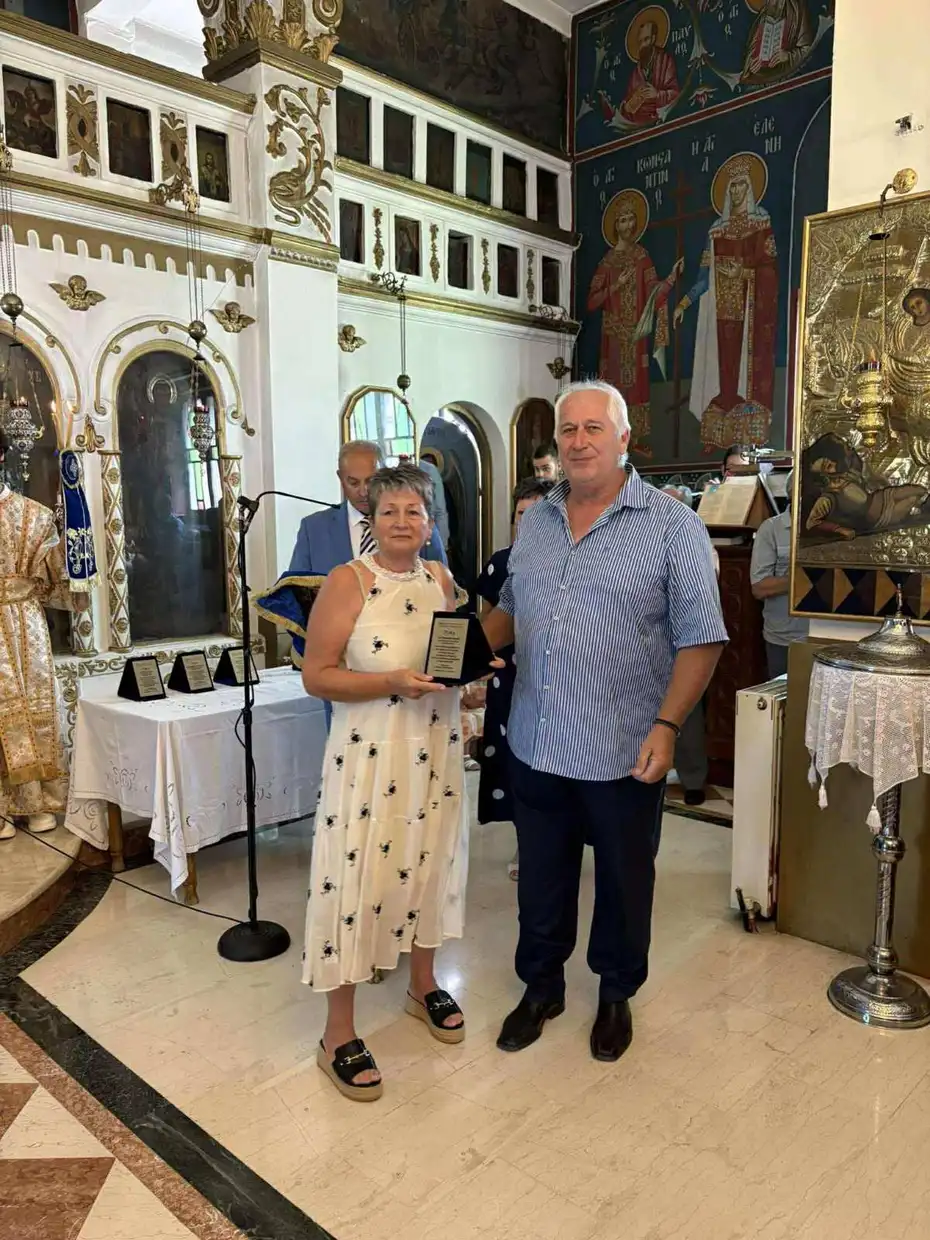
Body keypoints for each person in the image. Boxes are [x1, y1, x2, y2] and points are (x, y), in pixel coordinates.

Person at [482, 380, 727, 1063]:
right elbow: (511, 607)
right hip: (536, 739)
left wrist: (667, 726)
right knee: (541, 878)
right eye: (569, 430)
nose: (580, 441)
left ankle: (616, 992)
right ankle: (541, 987)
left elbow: (701, 638)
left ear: (624, 438)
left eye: (594, 428)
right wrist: (460, 654)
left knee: (623, 879)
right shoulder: (537, 520)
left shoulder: (672, 525)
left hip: (624, 748)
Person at [300, 464, 497, 1103]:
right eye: (390, 511)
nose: (403, 522)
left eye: (414, 511)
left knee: (429, 864)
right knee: (355, 879)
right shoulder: (348, 581)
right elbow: (317, 675)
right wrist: (390, 682)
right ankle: (337, 1031)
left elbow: (450, 660)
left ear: (430, 522)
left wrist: (473, 678)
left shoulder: (441, 579)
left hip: (433, 753)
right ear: (372, 521)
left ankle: (422, 983)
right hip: (369, 757)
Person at [255, 441, 446, 671]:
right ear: (340, 478)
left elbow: (440, 601)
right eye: (353, 482)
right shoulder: (314, 529)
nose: (363, 491)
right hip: (335, 666)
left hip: (410, 662)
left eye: (371, 481)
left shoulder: (416, 526)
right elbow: (298, 599)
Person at [0, 434, 90, 841]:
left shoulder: (35, 515)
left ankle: (37, 804)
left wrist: (74, 539)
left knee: (33, 709)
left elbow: (60, 577)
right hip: (22, 619)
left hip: (24, 623)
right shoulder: (34, 515)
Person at [475, 478, 554, 879]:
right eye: (522, 514)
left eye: (537, 513)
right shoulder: (502, 562)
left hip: (553, 673)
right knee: (515, 760)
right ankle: (527, 844)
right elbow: (491, 620)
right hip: (508, 673)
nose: (528, 522)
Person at [674, 153, 777, 451]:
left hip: (751, 313)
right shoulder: (716, 229)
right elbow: (704, 278)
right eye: (731, 186)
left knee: (746, 376)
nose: (736, 191)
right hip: (720, 314)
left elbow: (770, 269)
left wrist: (742, 273)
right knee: (722, 376)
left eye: (741, 184)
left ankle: (747, 437)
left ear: (750, 188)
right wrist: (683, 304)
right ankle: (718, 435)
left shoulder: (761, 223)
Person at [587, 190, 682, 455]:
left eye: (631, 219)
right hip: (612, 338)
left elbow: (653, 292)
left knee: (636, 385)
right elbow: (592, 302)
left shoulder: (642, 257)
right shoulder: (607, 262)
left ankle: (635, 438)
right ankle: (610, 439)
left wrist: (671, 279)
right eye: (622, 220)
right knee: (613, 387)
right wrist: (615, 286)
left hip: (635, 334)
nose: (627, 225)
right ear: (615, 226)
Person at [660, 484, 718, 806]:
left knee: (688, 715)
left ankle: (693, 778)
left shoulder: (694, 538)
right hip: (642, 645)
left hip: (682, 642)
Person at [750, 470, 809, 678]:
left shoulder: (833, 529)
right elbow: (759, 588)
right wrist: (809, 578)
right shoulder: (771, 529)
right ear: (793, 493)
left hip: (826, 634)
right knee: (784, 693)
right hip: (784, 637)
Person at [618, 15, 680, 126]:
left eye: (646, 39)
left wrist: (657, 95)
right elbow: (627, 107)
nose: (642, 45)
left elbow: (676, 94)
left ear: (653, 39)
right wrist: (627, 107)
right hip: (640, 124)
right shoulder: (636, 73)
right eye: (640, 41)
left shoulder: (665, 61)